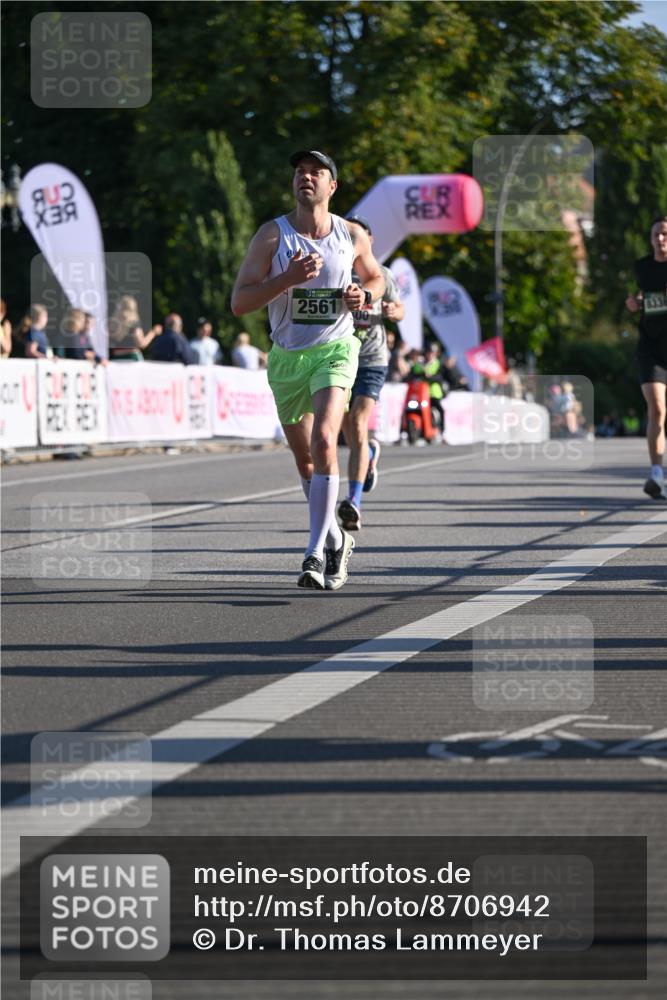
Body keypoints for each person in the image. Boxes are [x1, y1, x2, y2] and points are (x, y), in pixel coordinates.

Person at [231, 149, 384, 590]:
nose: (306, 178)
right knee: (306, 458)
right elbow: (240, 303)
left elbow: (373, 278)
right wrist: (287, 279)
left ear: (331, 187)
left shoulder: (351, 235)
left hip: (335, 349)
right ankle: (335, 536)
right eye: (300, 171)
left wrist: (363, 297)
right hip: (286, 357)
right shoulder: (271, 237)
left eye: (317, 172)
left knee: (324, 438)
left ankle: (315, 553)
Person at [337, 214, 404, 532]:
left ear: (369, 241)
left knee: (359, 424)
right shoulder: (337, 271)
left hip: (372, 359)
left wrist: (394, 312)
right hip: (339, 358)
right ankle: (370, 455)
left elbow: (399, 307)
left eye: (358, 236)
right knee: (350, 429)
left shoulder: (383, 275)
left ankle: (354, 502)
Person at [625, 216, 667, 499]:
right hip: (651, 348)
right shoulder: (642, 267)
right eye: (656, 235)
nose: (660, 239)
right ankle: (656, 474)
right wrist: (633, 303)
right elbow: (636, 297)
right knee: (657, 409)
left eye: (664, 234)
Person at [108, 295, 161, 361]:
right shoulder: (134, 323)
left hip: (116, 357)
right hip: (131, 357)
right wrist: (153, 332)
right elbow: (141, 343)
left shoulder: (112, 324)